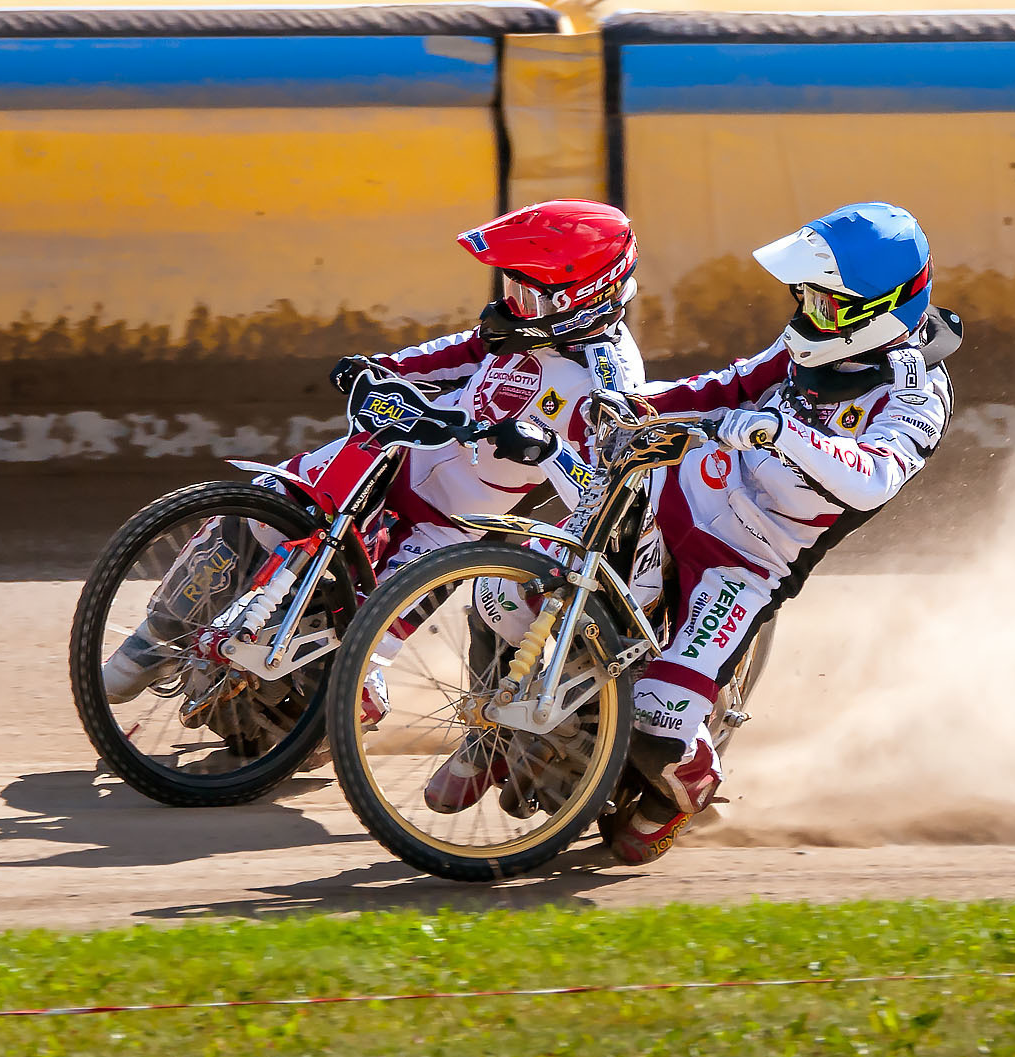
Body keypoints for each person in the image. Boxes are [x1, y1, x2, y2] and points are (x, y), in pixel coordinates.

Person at [101, 199, 645, 725]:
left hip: (451, 529)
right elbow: (452, 353)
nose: (512, 306)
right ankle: (149, 647)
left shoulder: (609, 379)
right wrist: (377, 368)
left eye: (530, 296)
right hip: (392, 455)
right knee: (263, 509)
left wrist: (549, 453)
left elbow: (612, 497)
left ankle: (309, 730)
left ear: (587, 295)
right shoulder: (517, 329)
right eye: (511, 287)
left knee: (357, 672)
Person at [606, 200, 961, 864]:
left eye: (823, 304)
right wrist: (641, 404)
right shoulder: (810, 339)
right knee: (525, 585)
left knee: (654, 732)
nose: (804, 315)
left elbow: (875, 478)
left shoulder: (918, 396)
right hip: (679, 491)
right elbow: (734, 383)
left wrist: (787, 432)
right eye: (804, 297)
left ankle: (685, 783)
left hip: (745, 563)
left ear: (875, 312)